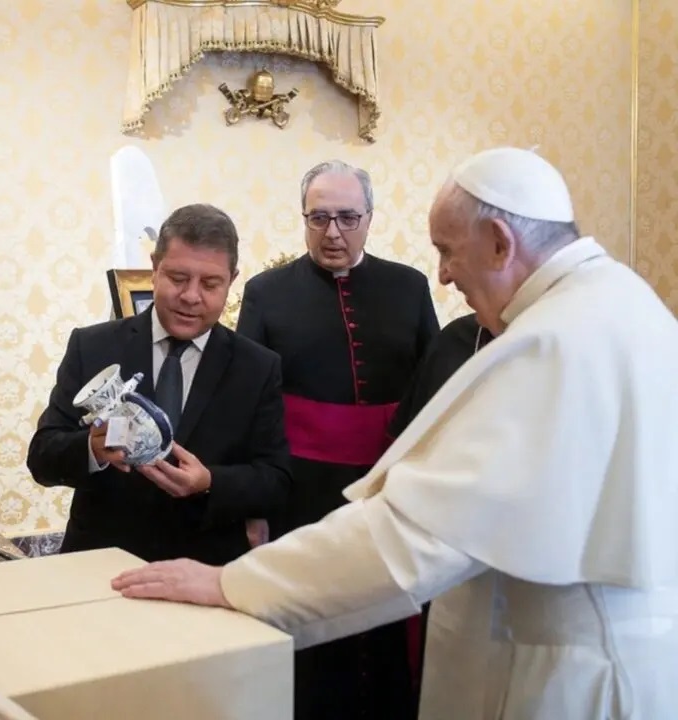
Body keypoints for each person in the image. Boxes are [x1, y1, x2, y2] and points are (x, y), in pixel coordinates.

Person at [111, 147, 678, 719]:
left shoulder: (552, 343)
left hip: (573, 676)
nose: (444, 274)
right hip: (614, 656)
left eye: (449, 251)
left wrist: (231, 585)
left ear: (500, 243)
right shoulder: (622, 303)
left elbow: (414, 537)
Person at [236, 160, 439, 719]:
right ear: (303, 218)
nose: (333, 232)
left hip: (389, 487)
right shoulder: (266, 293)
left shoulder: (409, 286)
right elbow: (248, 403)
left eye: (348, 217)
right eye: (319, 217)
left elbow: (431, 387)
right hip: (301, 491)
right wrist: (255, 507)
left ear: (370, 217)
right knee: (313, 622)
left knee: (389, 618)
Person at [27, 203, 291, 565]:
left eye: (210, 284)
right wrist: (91, 448)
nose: (191, 296)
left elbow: (275, 481)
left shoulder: (258, 367)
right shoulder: (92, 346)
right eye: (178, 278)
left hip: (205, 571)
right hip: (98, 568)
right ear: (154, 268)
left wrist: (210, 482)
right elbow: (42, 458)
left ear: (231, 280)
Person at [385, 312, 495, 718]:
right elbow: (410, 440)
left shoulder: (559, 337)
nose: (445, 280)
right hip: (443, 539)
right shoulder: (457, 339)